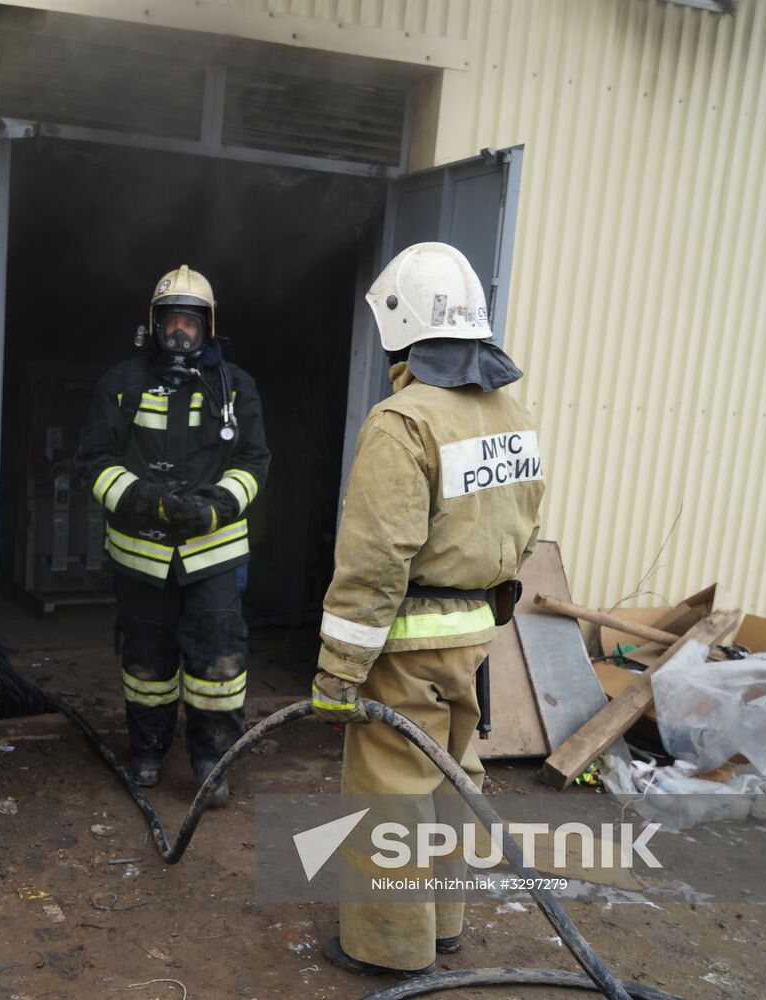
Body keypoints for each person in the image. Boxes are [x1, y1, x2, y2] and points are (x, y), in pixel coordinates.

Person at [310, 243, 544, 978]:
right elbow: (523, 526)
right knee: (453, 780)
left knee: (391, 793)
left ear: (401, 326)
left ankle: (386, 949)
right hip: (476, 635)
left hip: (404, 645)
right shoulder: (514, 412)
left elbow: (377, 558)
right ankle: (443, 925)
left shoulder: (402, 420)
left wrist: (337, 672)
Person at [76, 265, 270, 805]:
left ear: (208, 327)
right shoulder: (121, 385)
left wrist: (220, 506)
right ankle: (149, 750)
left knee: (217, 665)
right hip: (142, 558)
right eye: (171, 322)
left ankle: (213, 760)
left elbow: (255, 460)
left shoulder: (236, 388)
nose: (180, 333)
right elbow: (94, 461)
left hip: (214, 555)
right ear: (154, 324)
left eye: (190, 322)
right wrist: (142, 500)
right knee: (146, 663)